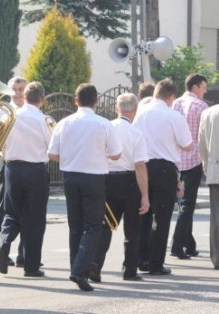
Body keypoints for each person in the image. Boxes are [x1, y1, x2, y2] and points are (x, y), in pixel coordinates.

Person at [48, 84, 122, 292]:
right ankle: (80, 271)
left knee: (76, 225)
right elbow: (116, 154)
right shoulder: (104, 124)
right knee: (93, 226)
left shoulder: (64, 123)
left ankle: (76, 268)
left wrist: (72, 156)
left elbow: (52, 154)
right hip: (94, 177)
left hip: (70, 177)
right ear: (96, 101)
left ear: (75, 100)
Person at [133, 79, 194, 275]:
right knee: (162, 217)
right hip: (165, 169)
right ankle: (156, 263)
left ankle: (141, 258)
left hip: (142, 166)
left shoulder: (141, 113)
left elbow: (133, 137)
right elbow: (187, 144)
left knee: (144, 213)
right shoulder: (173, 116)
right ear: (171, 96)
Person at [0, 81, 51, 278]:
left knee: (11, 213)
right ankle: (30, 265)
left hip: (12, 168)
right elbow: (51, 149)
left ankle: (2, 244)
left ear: (24, 97)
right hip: (35, 170)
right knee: (34, 219)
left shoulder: (10, 115)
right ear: (42, 100)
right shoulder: (43, 120)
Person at [91, 93, 150, 282]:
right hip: (129, 182)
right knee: (132, 228)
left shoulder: (105, 127)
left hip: (107, 181)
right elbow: (140, 166)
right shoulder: (136, 133)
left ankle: (96, 265)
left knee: (106, 225)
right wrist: (145, 195)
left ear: (116, 109)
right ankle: (130, 269)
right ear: (135, 110)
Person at [170, 73, 209, 258]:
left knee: (183, 203)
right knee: (187, 206)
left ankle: (189, 244)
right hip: (193, 159)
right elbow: (204, 135)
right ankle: (177, 245)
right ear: (195, 87)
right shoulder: (201, 106)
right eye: (203, 87)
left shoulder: (175, 103)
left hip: (175, 159)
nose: (205, 91)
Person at [0, 76, 27, 264]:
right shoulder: (2, 111)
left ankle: (24, 254)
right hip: (7, 162)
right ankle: (0, 250)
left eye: (22, 89)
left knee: (27, 209)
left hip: (28, 163)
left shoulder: (33, 110)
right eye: (15, 89)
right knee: (4, 208)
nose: (19, 93)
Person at [197, 101, 219, 270]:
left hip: (216, 169)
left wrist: (206, 166)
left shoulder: (209, 113)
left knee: (216, 217)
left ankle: (217, 257)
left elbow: (202, 145)